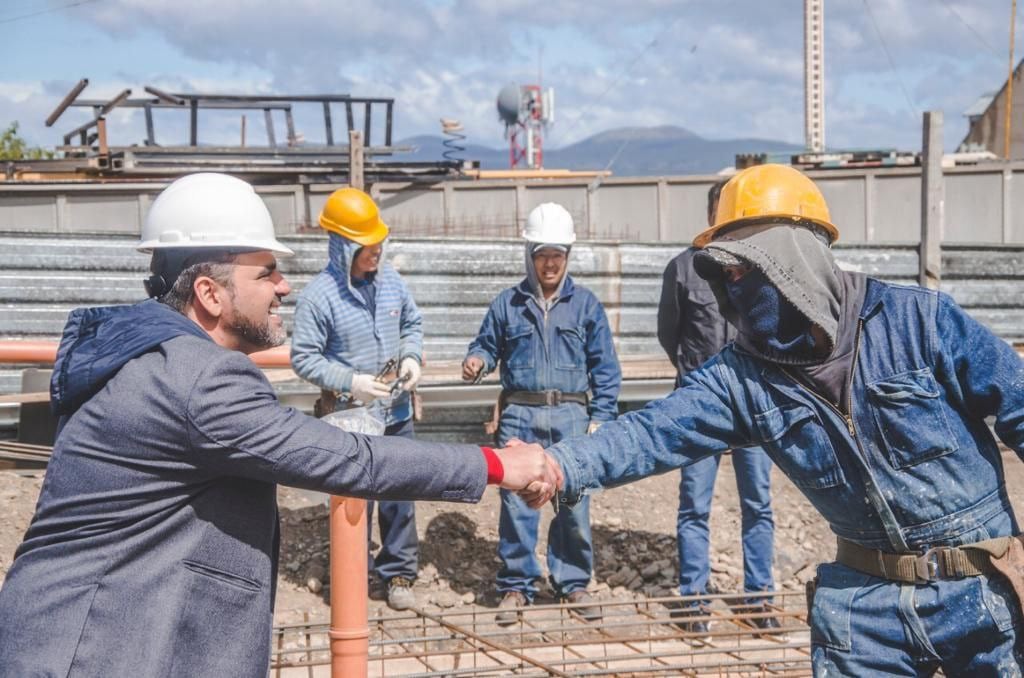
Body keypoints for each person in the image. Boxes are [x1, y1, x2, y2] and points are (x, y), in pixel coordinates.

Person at [0, 173, 556, 678]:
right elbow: (350, 458)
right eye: (266, 273)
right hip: (89, 648)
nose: (283, 286)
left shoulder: (150, 352)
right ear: (210, 293)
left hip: (92, 631)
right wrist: (497, 462)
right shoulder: (196, 378)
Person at [519, 164, 1024, 674]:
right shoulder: (742, 377)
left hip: (981, 591)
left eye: (741, 269)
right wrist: (559, 463)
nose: (731, 289)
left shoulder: (918, 323)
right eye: (724, 275)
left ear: (790, 255)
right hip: (865, 610)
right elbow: (651, 432)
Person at [462, 202, 621, 625]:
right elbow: (486, 345)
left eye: (558, 255)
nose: (550, 264)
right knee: (517, 504)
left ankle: (573, 583)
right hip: (520, 415)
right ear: (529, 255)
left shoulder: (586, 306)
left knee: (573, 503)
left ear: (568, 256)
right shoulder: (507, 304)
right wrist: (476, 360)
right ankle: (516, 586)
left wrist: (601, 417)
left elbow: (605, 367)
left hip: (570, 416)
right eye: (542, 255)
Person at [290, 186, 425, 611]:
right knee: (353, 503)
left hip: (396, 411)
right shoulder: (320, 297)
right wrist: (352, 382)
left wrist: (412, 357)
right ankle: (352, 577)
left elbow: (412, 322)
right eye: (369, 245)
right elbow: (303, 358)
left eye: (380, 242)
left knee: (400, 493)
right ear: (343, 246)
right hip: (351, 419)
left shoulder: (391, 283)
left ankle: (398, 572)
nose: (378, 252)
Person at [657, 180, 777, 634]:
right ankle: (694, 602)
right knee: (694, 504)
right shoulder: (683, 269)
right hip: (700, 405)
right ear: (712, 214)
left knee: (759, 504)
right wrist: (695, 379)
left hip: (754, 403)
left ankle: (760, 598)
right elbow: (670, 334)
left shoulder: (759, 267)